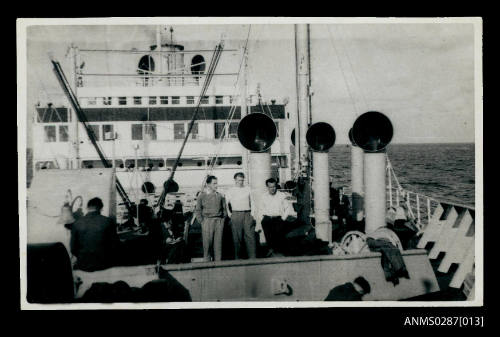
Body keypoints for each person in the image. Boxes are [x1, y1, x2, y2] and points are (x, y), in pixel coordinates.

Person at [70, 197, 121, 272]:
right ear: (100, 208)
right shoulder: (108, 221)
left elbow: (73, 248)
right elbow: (115, 245)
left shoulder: (77, 223)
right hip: (104, 265)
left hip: (83, 264)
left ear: (87, 208)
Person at [194, 175, 227, 262]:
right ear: (208, 184)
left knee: (218, 245)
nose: (216, 185)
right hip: (207, 222)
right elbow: (198, 210)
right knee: (207, 245)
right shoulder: (202, 196)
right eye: (214, 183)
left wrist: (222, 221)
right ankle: (207, 265)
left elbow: (224, 210)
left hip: (218, 222)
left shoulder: (220, 196)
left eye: (217, 183)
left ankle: (218, 265)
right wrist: (202, 222)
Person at [258, 178, 293, 257]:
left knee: (279, 237)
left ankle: (279, 254)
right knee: (268, 237)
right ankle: (271, 253)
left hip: (278, 219)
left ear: (276, 186)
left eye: (274, 186)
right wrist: (262, 219)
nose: (272, 189)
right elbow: (260, 209)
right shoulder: (263, 196)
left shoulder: (282, 195)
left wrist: (283, 219)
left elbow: (288, 208)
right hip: (267, 219)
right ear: (267, 187)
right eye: (270, 187)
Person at [225, 172, 256, 259]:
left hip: (247, 213)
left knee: (250, 237)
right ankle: (238, 259)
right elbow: (226, 204)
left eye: (242, 180)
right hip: (236, 214)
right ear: (235, 180)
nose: (240, 182)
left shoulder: (248, 189)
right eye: (239, 180)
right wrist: (229, 214)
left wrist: (252, 214)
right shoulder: (230, 190)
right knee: (237, 238)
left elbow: (253, 202)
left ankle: (252, 258)